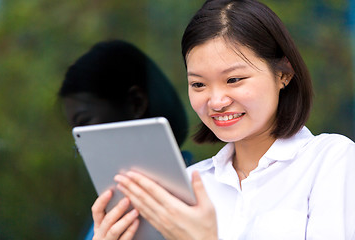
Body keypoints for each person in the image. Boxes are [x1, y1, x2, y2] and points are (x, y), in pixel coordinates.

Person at [91, 1, 355, 239]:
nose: (216, 101)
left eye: (234, 79)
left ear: (283, 73)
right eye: (198, 84)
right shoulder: (187, 185)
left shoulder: (330, 161)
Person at [58, 40, 193, 240]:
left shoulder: (207, 190)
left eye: (84, 123)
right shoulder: (107, 216)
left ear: (135, 103)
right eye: (76, 134)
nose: (81, 144)